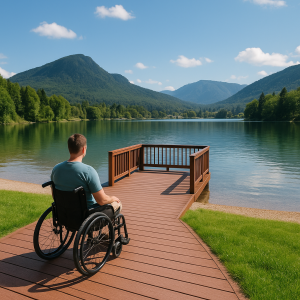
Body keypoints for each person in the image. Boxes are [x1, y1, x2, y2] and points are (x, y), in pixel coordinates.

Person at [51, 133, 122, 213]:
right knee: (117, 204)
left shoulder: (56, 169)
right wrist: (113, 198)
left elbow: (54, 196)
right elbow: (102, 200)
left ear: (69, 148)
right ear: (84, 149)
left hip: (65, 213)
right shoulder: (88, 171)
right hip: (87, 215)